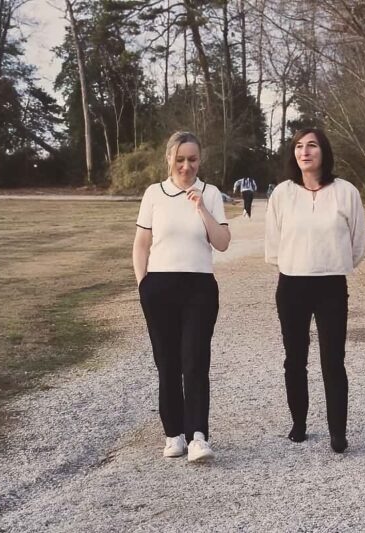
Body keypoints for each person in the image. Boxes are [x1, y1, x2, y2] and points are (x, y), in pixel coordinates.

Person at [265, 127, 365, 453]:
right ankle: (299, 423)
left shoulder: (345, 192)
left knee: (333, 359)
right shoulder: (282, 194)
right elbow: (273, 243)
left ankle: (338, 431)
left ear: (324, 152)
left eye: (312, 146)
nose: (304, 152)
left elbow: (357, 244)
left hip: (331, 284)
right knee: (295, 359)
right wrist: (295, 262)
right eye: (299, 146)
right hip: (292, 283)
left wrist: (332, 263)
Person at [132, 131, 231, 462]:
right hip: (159, 286)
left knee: (195, 360)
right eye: (180, 159)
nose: (186, 166)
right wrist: (143, 284)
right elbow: (141, 244)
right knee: (168, 363)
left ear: (200, 160)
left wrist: (201, 208)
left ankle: (198, 435)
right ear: (169, 159)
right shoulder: (153, 194)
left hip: (199, 287)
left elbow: (222, 243)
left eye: (192, 159)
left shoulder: (210, 193)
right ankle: (173, 434)